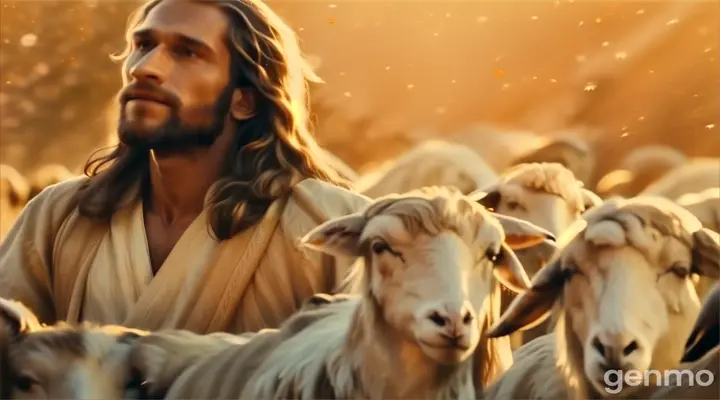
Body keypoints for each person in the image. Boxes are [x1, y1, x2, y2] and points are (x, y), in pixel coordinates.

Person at [0, 0, 369, 334]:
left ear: (244, 100)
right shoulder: (58, 217)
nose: (145, 69)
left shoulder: (336, 233)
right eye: (143, 45)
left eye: (188, 52)